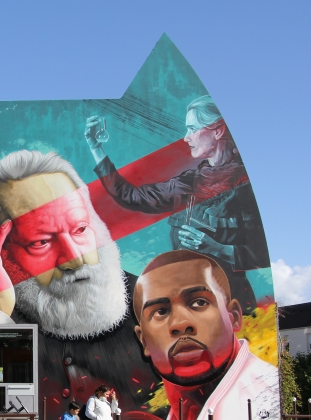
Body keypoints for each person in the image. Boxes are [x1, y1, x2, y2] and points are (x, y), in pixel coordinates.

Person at [0, 150, 161, 420]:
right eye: (40, 242)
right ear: (1, 253)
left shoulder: (155, 302)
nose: (75, 259)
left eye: (80, 229)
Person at [85, 96, 269, 313]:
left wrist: (217, 249)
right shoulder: (189, 182)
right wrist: (96, 148)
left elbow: (262, 254)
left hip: (228, 306)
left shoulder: (246, 185)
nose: (186, 137)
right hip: (186, 303)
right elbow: (131, 197)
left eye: (192, 128)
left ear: (218, 131)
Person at [133, 250, 280, 420]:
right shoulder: (182, 413)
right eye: (160, 311)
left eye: (199, 302)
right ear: (144, 340)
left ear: (234, 317)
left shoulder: (265, 397)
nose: (180, 324)